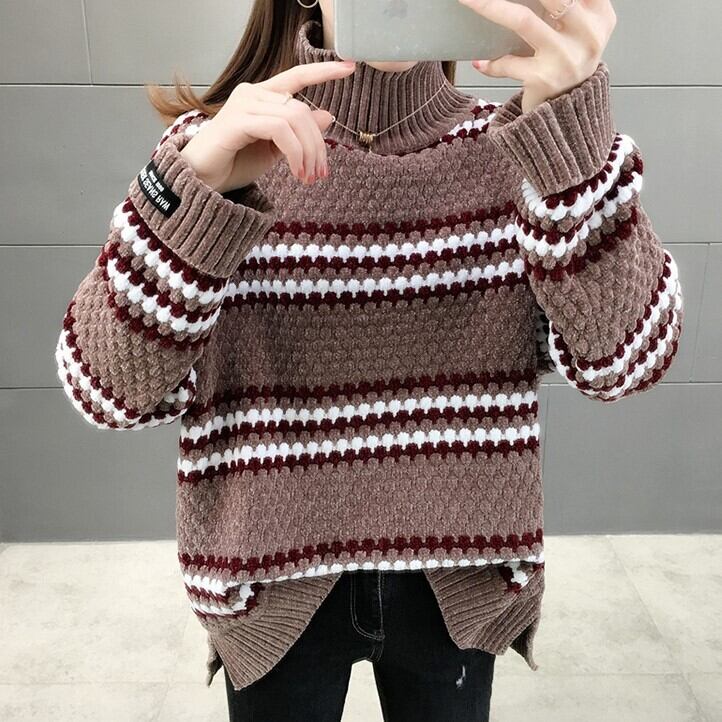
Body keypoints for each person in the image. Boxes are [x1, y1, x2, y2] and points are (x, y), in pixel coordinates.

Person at [54, 0, 684, 720]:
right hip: (267, 588)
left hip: (460, 580)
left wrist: (573, 142)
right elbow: (105, 390)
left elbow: (625, 361)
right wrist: (191, 190)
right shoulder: (220, 151)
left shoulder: (521, 151)